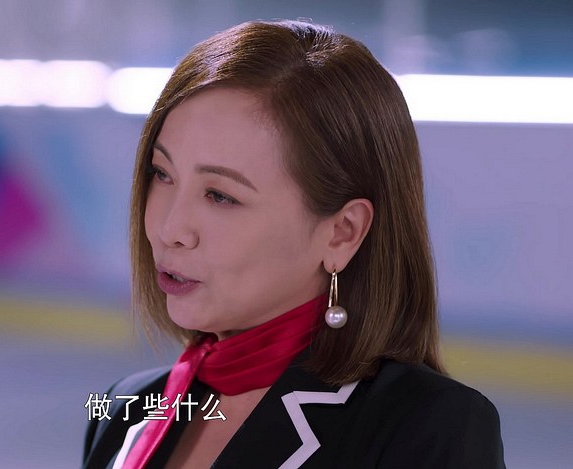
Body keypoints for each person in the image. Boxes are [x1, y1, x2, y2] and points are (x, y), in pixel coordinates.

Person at [82, 19, 506, 468]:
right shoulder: (126, 410)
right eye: (162, 174)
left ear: (342, 232)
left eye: (220, 195)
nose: (170, 228)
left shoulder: (425, 428)